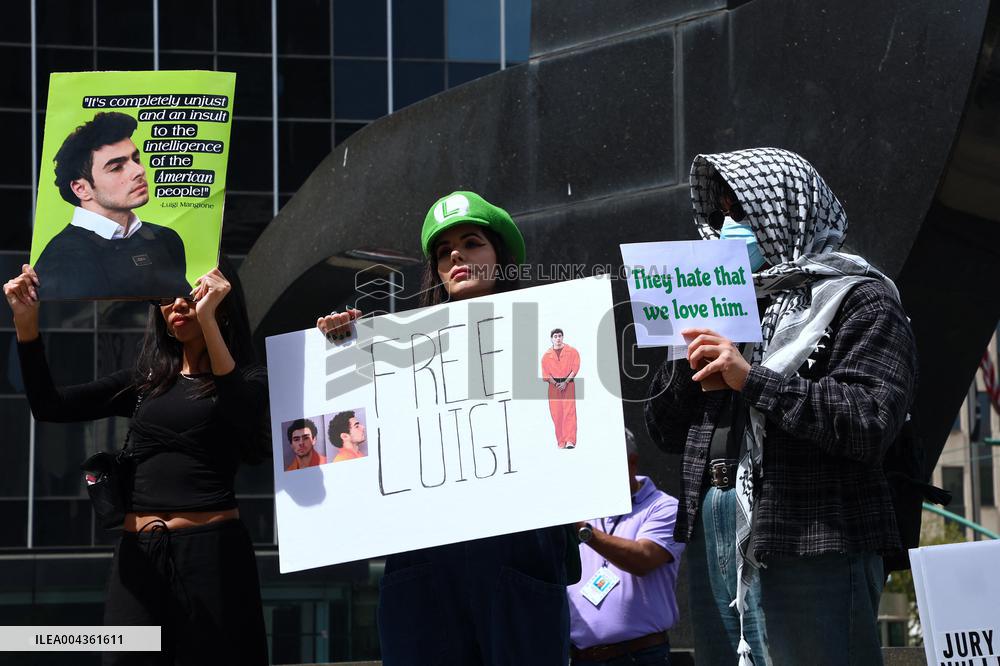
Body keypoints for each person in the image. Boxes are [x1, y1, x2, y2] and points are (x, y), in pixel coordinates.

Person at [644, 147, 917, 665]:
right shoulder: (718, 304)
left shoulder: (859, 299)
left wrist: (750, 379)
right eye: (719, 214)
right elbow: (661, 428)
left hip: (813, 530)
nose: (728, 228)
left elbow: (868, 419)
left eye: (741, 212)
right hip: (717, 526)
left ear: (785, 209)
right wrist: (689, 353)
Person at [318, 190, 573, 664]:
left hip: (517, 556)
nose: (456, 254)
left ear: (501, 259)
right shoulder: (390, 352)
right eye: (442, 251)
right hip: (424, 561)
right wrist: (339, 348)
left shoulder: (553, 335)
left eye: (472, 242)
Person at [4, 258, 269, 665]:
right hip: (139, 557)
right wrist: (26, 322)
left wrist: (209, 320)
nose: (178, 304)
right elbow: (49, 406)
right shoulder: (146, 380)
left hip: (212, 557)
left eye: (192, 293)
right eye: (166, 296)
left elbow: (242, 415)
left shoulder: (247, 378)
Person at [34, 111, 190, 300]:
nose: (139, 171)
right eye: (116, 167)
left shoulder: (166, 239)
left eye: (136, 159)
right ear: (81, 189)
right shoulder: (63, 257)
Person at [568, 429, 684, 665]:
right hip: (582, 658)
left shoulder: (664, 507)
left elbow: (643, 558)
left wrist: (584, 531)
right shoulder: (582, 505)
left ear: (631, 463)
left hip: (638, 656)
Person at [541, 328, 581, 448]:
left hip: (568, 384)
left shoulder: (572, 351)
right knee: (557, 414)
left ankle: (570, 440)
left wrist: (565, 382)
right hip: (554, 387)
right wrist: (556, 383)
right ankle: (561, 441)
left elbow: (575, 368)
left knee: (569, 412)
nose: (558, 338)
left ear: (563, 337)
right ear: (551, 339)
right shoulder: (546, 356)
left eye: (560, 336)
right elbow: (546, 374)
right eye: (555, 336)